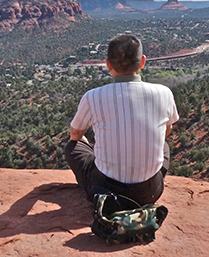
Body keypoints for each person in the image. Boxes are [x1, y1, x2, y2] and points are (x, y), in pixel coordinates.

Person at [65, 34, 179, 206]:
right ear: (142, 62)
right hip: (149, 192)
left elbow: (75, 134)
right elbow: (166, 131)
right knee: (164, 146)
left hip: (105, 191)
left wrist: (87, 144)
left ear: (108, 64)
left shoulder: (93, 97)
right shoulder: (164, 93)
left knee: (72, 147)